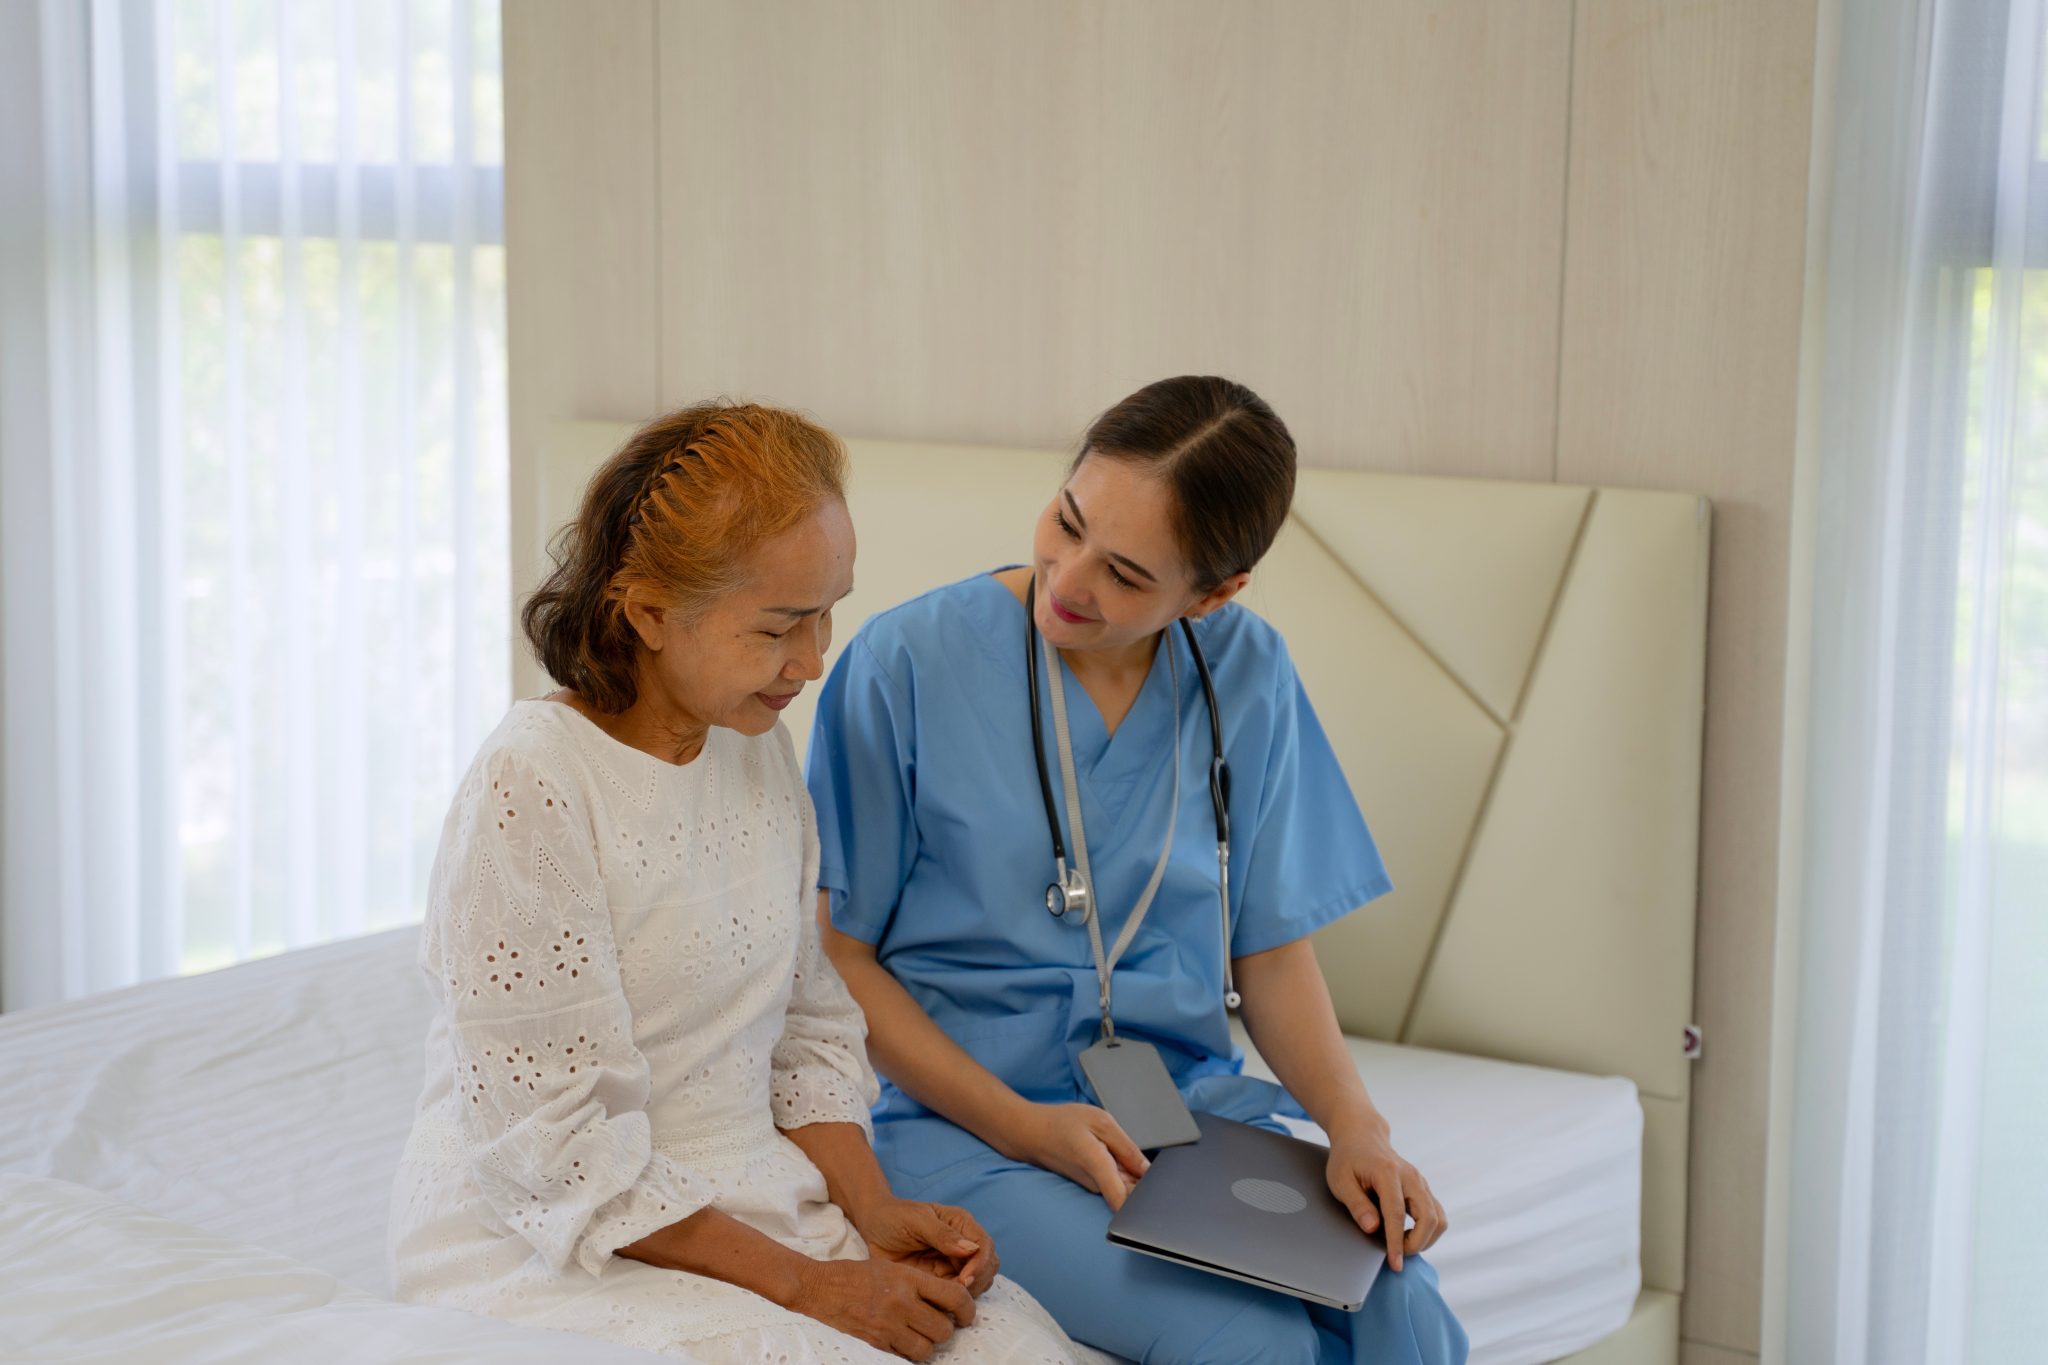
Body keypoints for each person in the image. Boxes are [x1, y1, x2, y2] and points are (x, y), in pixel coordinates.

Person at [388, 402, 1078, 1364]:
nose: (815, 658)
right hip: (555, 1232)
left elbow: (803, 1025)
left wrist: (872, 1210)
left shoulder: (754, 746)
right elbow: (550, 1148)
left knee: (1019, 1351)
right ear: (649, 613)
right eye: (779, 626)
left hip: (749, 1195)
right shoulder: (535, 779)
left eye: (829, 610)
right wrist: (811, 1287)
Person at [805, 376, 1470, 1363]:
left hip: (1178, 1119)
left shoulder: (1247, 671)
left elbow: (1269, 950)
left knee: (1405, 1312)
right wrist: (1027, 1127)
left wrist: (1355, 1127)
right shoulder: (905, 664)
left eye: (1124, 574)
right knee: (1251, 1342)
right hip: (969, 1123)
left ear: (1212, 594)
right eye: (1066, 523)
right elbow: (839, 957)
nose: (1069, 581)